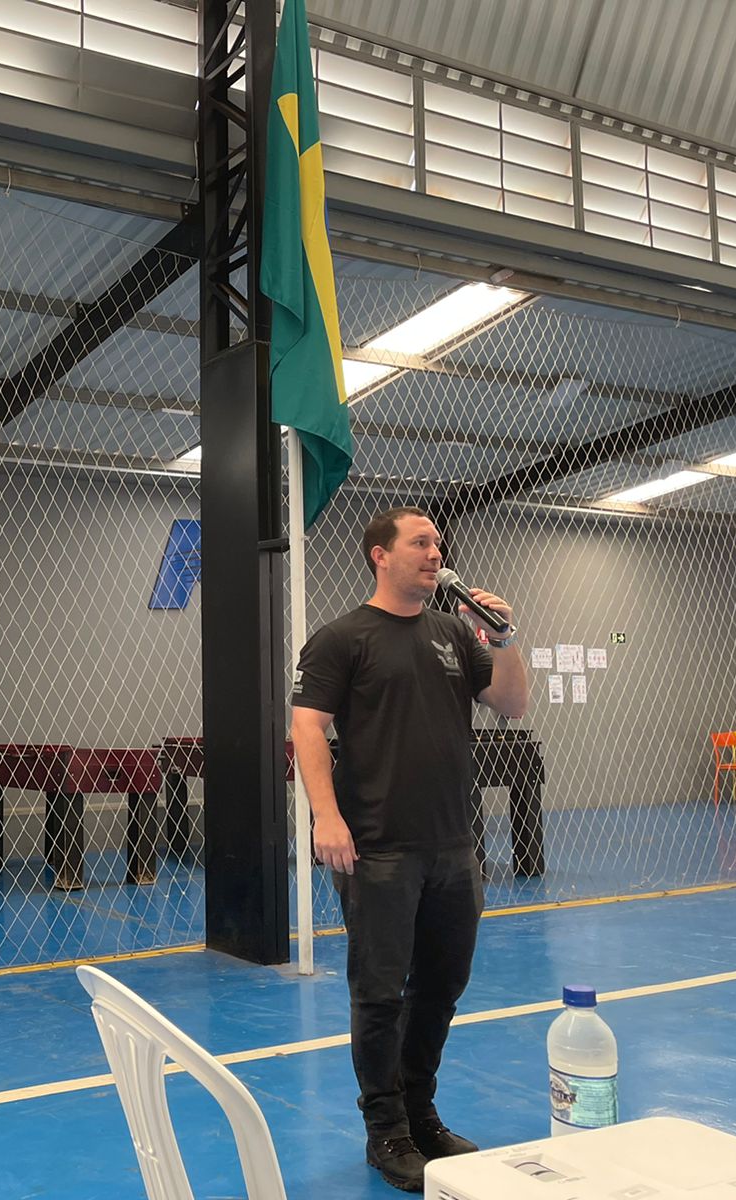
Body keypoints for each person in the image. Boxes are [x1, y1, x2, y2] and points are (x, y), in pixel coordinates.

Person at [290, 506, 528, 1192]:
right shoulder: (343, 638)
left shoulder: (454, 632)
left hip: (453, 846)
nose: (434, 554)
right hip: (379, 848)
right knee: (379, 993)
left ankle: (420, 1113)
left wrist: (505, 639)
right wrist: (326, 818)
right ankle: (386, 1130)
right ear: (380, 555)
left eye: (438, 544)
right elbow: (307, 728)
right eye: (420, 543)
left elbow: (512, 703)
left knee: (441, 987)